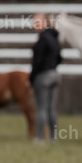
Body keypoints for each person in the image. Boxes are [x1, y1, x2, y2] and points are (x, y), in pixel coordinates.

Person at [30, 12, 62, 142]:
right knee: (51, 108)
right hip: (55, 75)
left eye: (38, 22)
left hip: (43, 76)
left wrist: (31, 79)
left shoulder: (43, 38)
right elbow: (60, 57)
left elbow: (37, 62)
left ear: (46, 22)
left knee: (41, 108)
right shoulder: (54, 37)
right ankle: (53, 137)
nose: (35, 26)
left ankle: (40, 137)